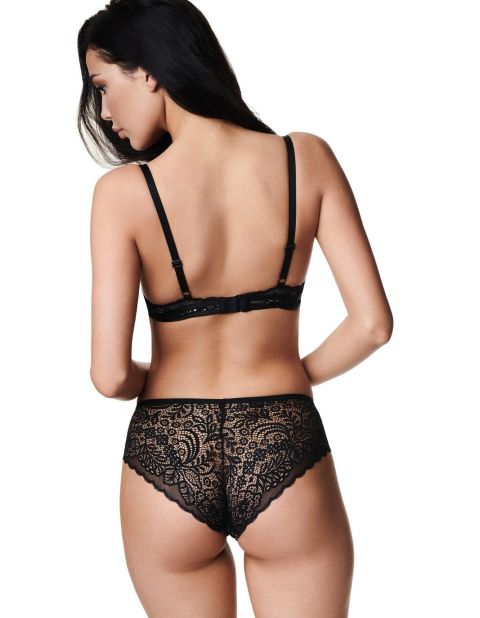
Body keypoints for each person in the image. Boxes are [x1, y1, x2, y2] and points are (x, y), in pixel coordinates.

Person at [79, 1, 393, 616]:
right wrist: (289, 375)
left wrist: (164, 380)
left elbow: (110, 376)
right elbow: (372, 325)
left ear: (148, 72)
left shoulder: (122, 194)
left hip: (165, 448)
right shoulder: (305, 158)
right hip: (283, 437)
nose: (105, 112)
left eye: (103, 86)